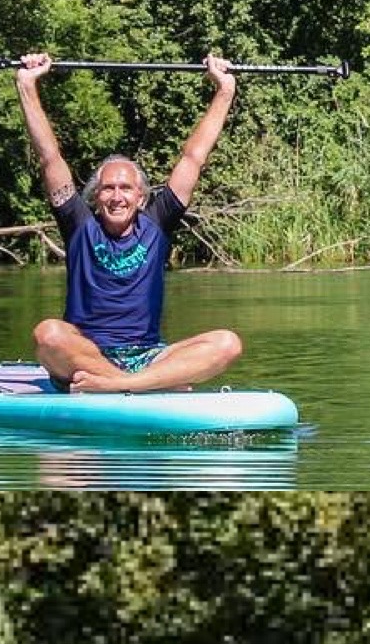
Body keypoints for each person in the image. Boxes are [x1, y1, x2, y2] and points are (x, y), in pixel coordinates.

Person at [15, 51, 244, 395]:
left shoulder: (158, 223)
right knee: (48, 334)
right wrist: (27, 86)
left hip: (148, 357)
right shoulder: (79, 225)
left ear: (141, 197)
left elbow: (194, 157)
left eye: (126, 188)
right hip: (85, 355)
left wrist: (224, 90)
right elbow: (50, 157)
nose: (117, 196)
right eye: (108, 188)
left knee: (227, 343)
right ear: (95, 197)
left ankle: (121, 385)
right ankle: (143, 385)